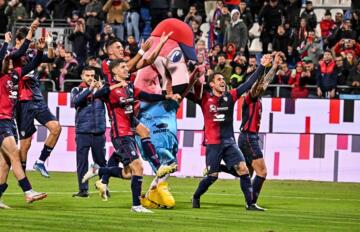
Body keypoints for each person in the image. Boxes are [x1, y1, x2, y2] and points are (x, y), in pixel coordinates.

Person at [83, 59, 181, 212]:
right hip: (120, 134)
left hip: (130, 130)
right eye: (122, 67)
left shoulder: (129, 87)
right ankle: (137, 205)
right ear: (114, 71)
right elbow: (94, 96)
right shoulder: (109, 89)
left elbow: (146, 96)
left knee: (128, 173)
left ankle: (99, 171)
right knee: (138, 167)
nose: (126, 69)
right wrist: (114, 85)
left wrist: (166, 97)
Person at [189, 54, 273, 210]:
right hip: (213, 144)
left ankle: (250, 204)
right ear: (212, 84)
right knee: (212, 177)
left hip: (230, 142)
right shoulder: (204, 99)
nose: (223, 82)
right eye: (219, 80)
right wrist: (191, 74)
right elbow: (186, 89)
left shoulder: (231, 96)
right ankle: (196, 196)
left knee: (243, 169)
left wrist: (262, 66)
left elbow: (248, 84)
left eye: (223, 79)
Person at [0, 34, 47, 209]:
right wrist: (6, 43)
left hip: (9, 121)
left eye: (11, 61)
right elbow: (4, 57)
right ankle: (28, 191)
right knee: (14, 155)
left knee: (4, 163)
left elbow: (33, 64)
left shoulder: (15, 74)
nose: (11, 62)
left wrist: (40, 51)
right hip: (1, 121)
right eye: (8, 60)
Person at [238, 52, 283, 208]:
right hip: (249, 137)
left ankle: (217, 169)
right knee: (262, 172)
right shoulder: (250, 96)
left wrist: (275, 67)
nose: (261, 86)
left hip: (248, 137)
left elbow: (264, 84)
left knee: (246, 172)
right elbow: (259, 85)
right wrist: (264, 67)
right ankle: (252, 203)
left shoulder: (256, 98)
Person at [70, 67, 108, 198]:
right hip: (83, 132)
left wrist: (102, 88)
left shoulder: (100, 91)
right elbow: (75, 101)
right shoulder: (76, 90)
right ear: (82, 76)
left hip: (99, 132)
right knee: (82, 163)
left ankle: (104, 187)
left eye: (92, 75)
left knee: (101, 162)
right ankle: (83, 190)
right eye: (87, 75)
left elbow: (110, 99)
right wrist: (90, 89)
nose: (91, 78)